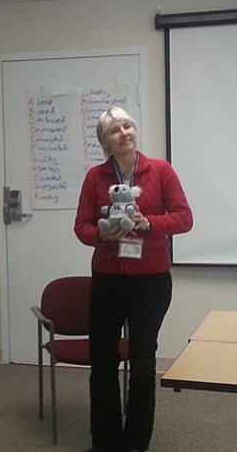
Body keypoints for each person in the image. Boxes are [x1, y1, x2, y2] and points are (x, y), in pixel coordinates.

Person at [74, 106, 193, 452]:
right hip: (108, 280)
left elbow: (184, 218)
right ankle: (105, 443)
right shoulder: (95, 177)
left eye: (128, 126)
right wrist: (101, 234)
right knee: (103, 361)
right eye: (115, 130)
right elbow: (80, 226)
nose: (124, 133)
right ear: (105, 141)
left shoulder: (160, 170)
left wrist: (150, 224)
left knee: (142, 363)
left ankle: (136, 443)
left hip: (150, 282)